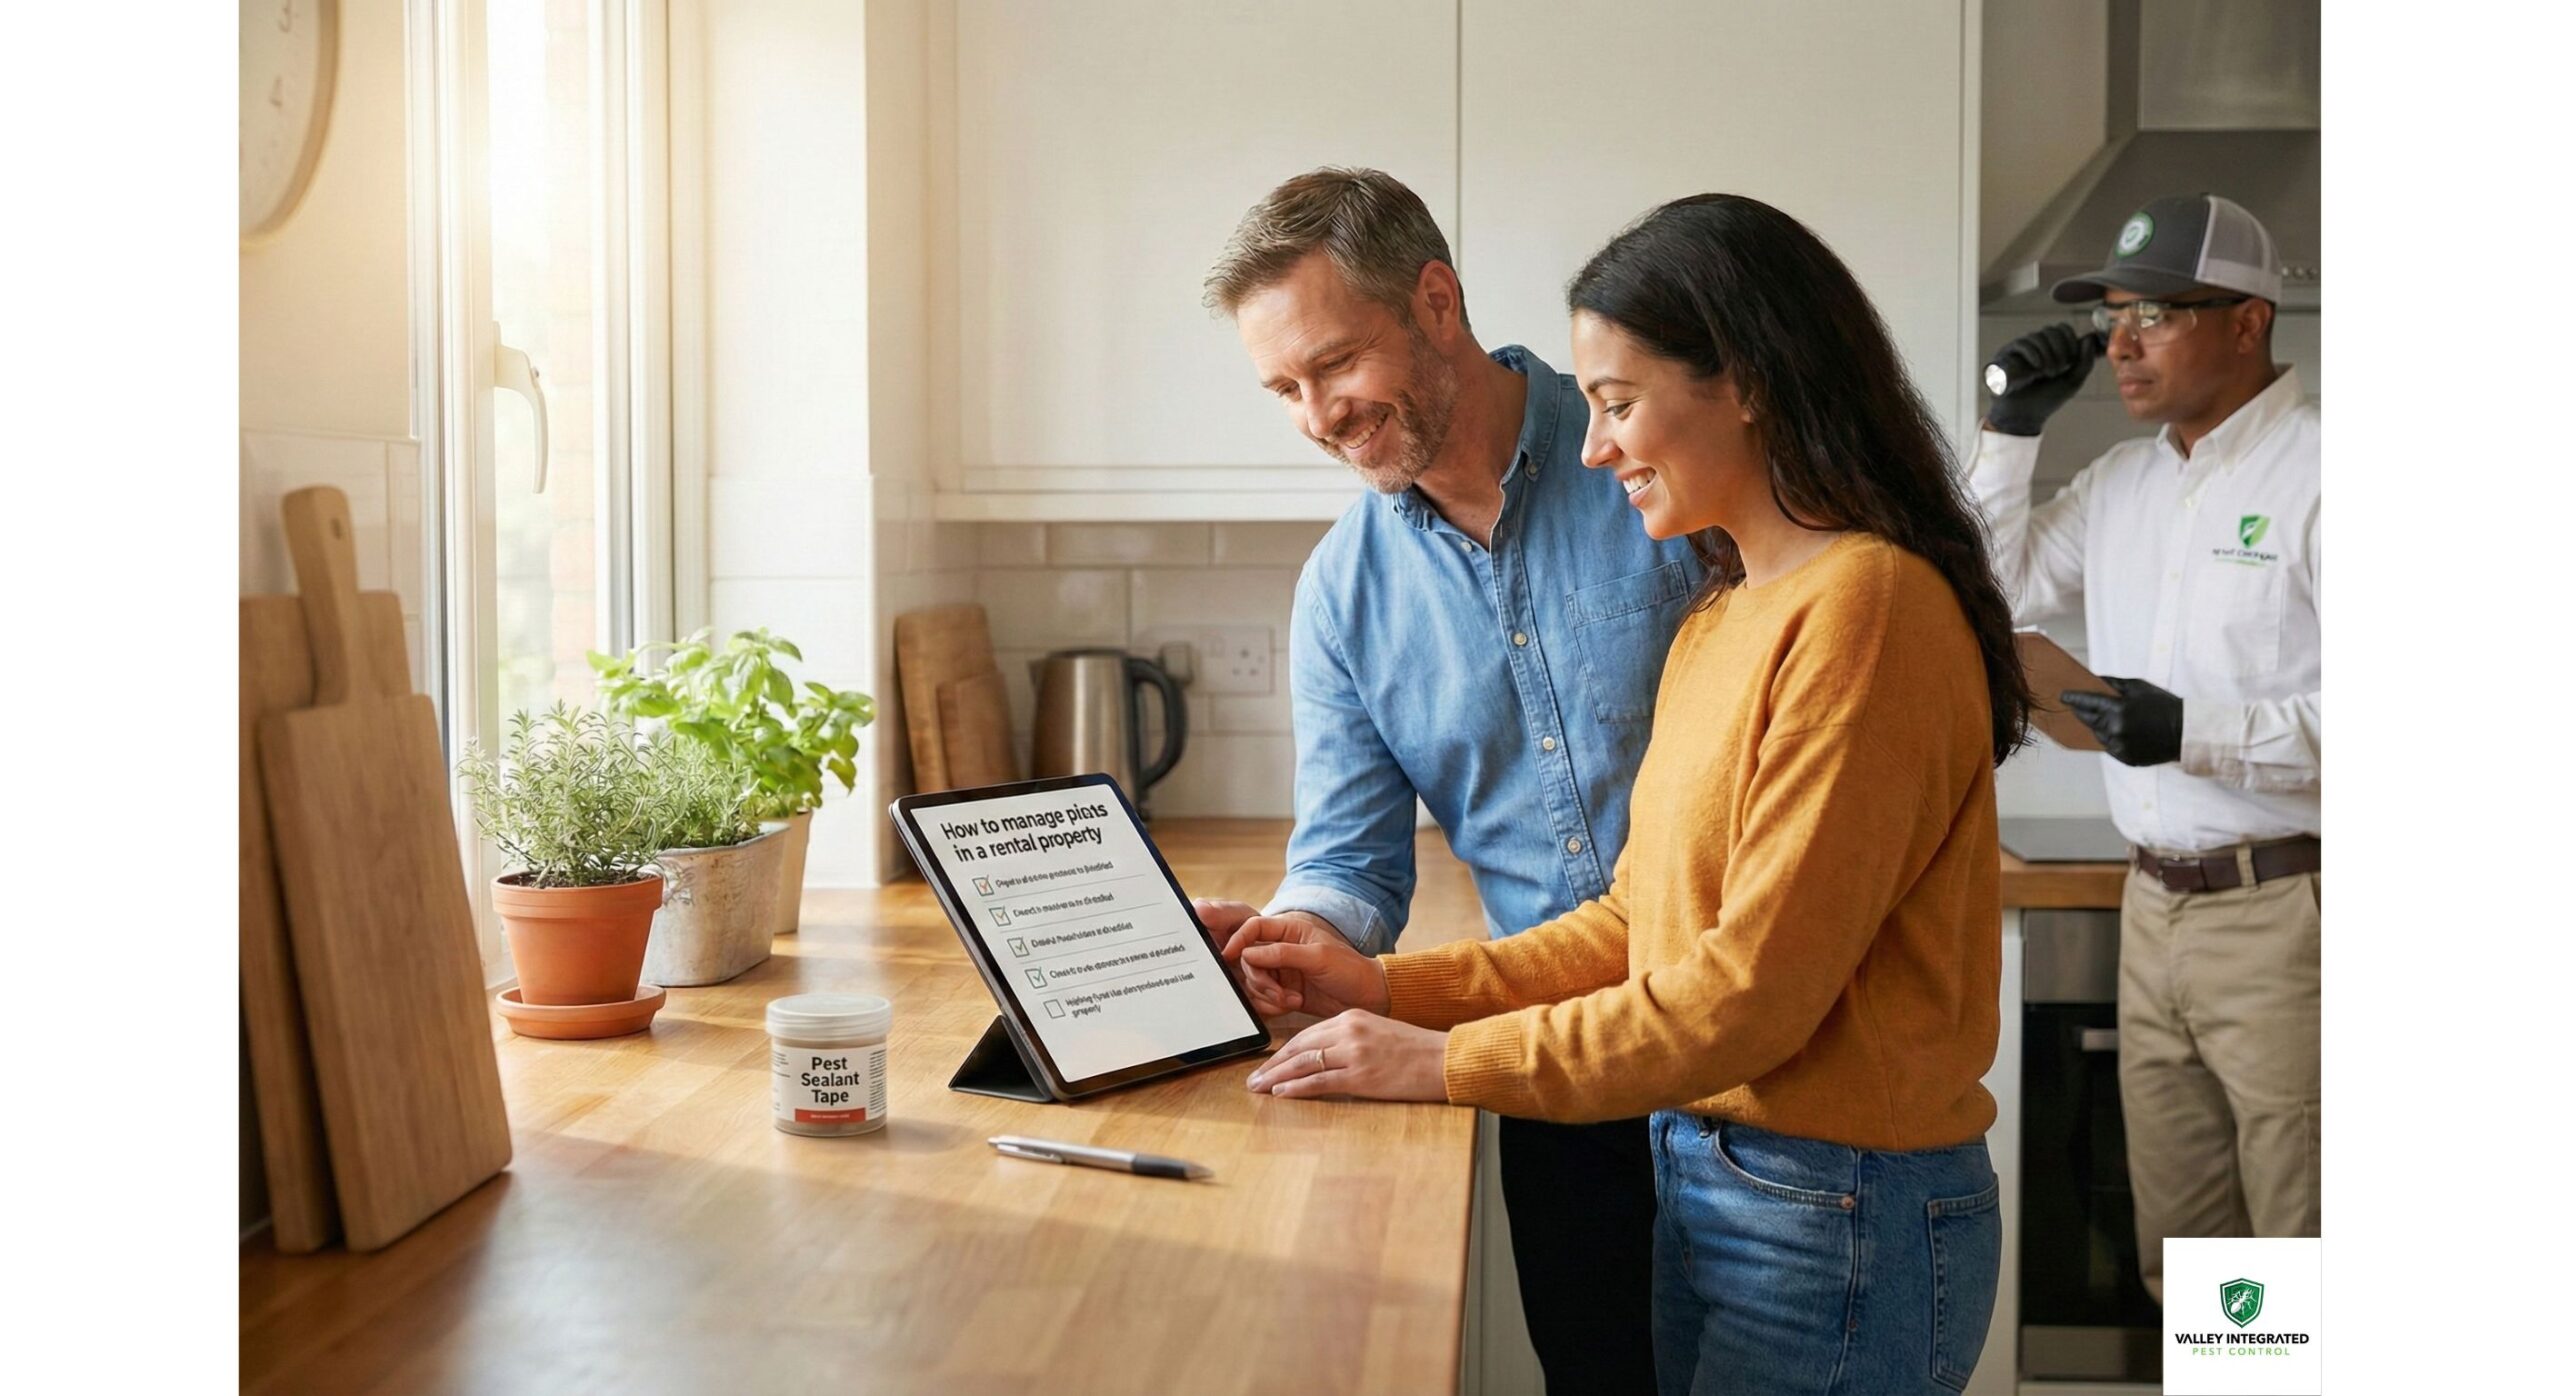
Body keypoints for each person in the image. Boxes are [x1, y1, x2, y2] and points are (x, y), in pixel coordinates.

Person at [1228, 193, 2025, 1396]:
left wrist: (1437, 1058)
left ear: (1745, 381)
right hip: (1709, 1156)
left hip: (1829, 1195)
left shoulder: (1862, 606)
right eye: (1282, 389)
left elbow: (1744, 993)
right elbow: (1633, 924)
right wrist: (1376, 981)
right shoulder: (1721, 610)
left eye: (1617, 403)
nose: (1600, 451)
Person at [1195, 167, 1699, 1391]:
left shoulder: (1659, 457)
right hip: (1545, 1066)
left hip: (1748, 1042)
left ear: (1434, 299)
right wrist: (1292, 934)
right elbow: (1351, 854)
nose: (1317, 416)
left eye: (1332, 365)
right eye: (1283, 390)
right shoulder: (1342, 592)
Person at [1968, 192, 2320, 1302]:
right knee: (2190, 1257)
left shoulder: (2330, 476)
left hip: (2290, 915)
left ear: (2248, 320)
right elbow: (1985, 591)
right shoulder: (2122, 483)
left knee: (2300, 1246)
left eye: (2154, 315)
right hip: (2150, 907)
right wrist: (2007, 431)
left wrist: (2194, 731)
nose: (2119, 345)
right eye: (2111, 318)